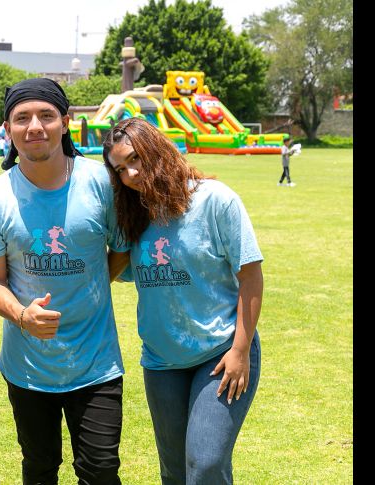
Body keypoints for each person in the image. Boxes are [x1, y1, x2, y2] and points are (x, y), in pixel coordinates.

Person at [0, 77, 126, 484]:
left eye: (46, 115)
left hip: (97, 364)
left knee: (101, 471)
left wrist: (94, 284)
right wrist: (23, 316)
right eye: (22, 118)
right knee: (39, 469)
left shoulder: (102, 183)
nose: (34, 126)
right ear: (7, 129)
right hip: (28, 367)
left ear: (66, 122)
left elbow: (122, 248)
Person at [102, 117, 263, 484]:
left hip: (221, 352)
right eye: (120, 169)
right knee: (174, 472)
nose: (130, 174)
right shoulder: (135, 215)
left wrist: (240, 351)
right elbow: (107, 272)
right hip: (162, 361)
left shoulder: (215, 200)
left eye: (134, 159)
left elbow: (251, 276)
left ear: (155, 150)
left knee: (206, 463)